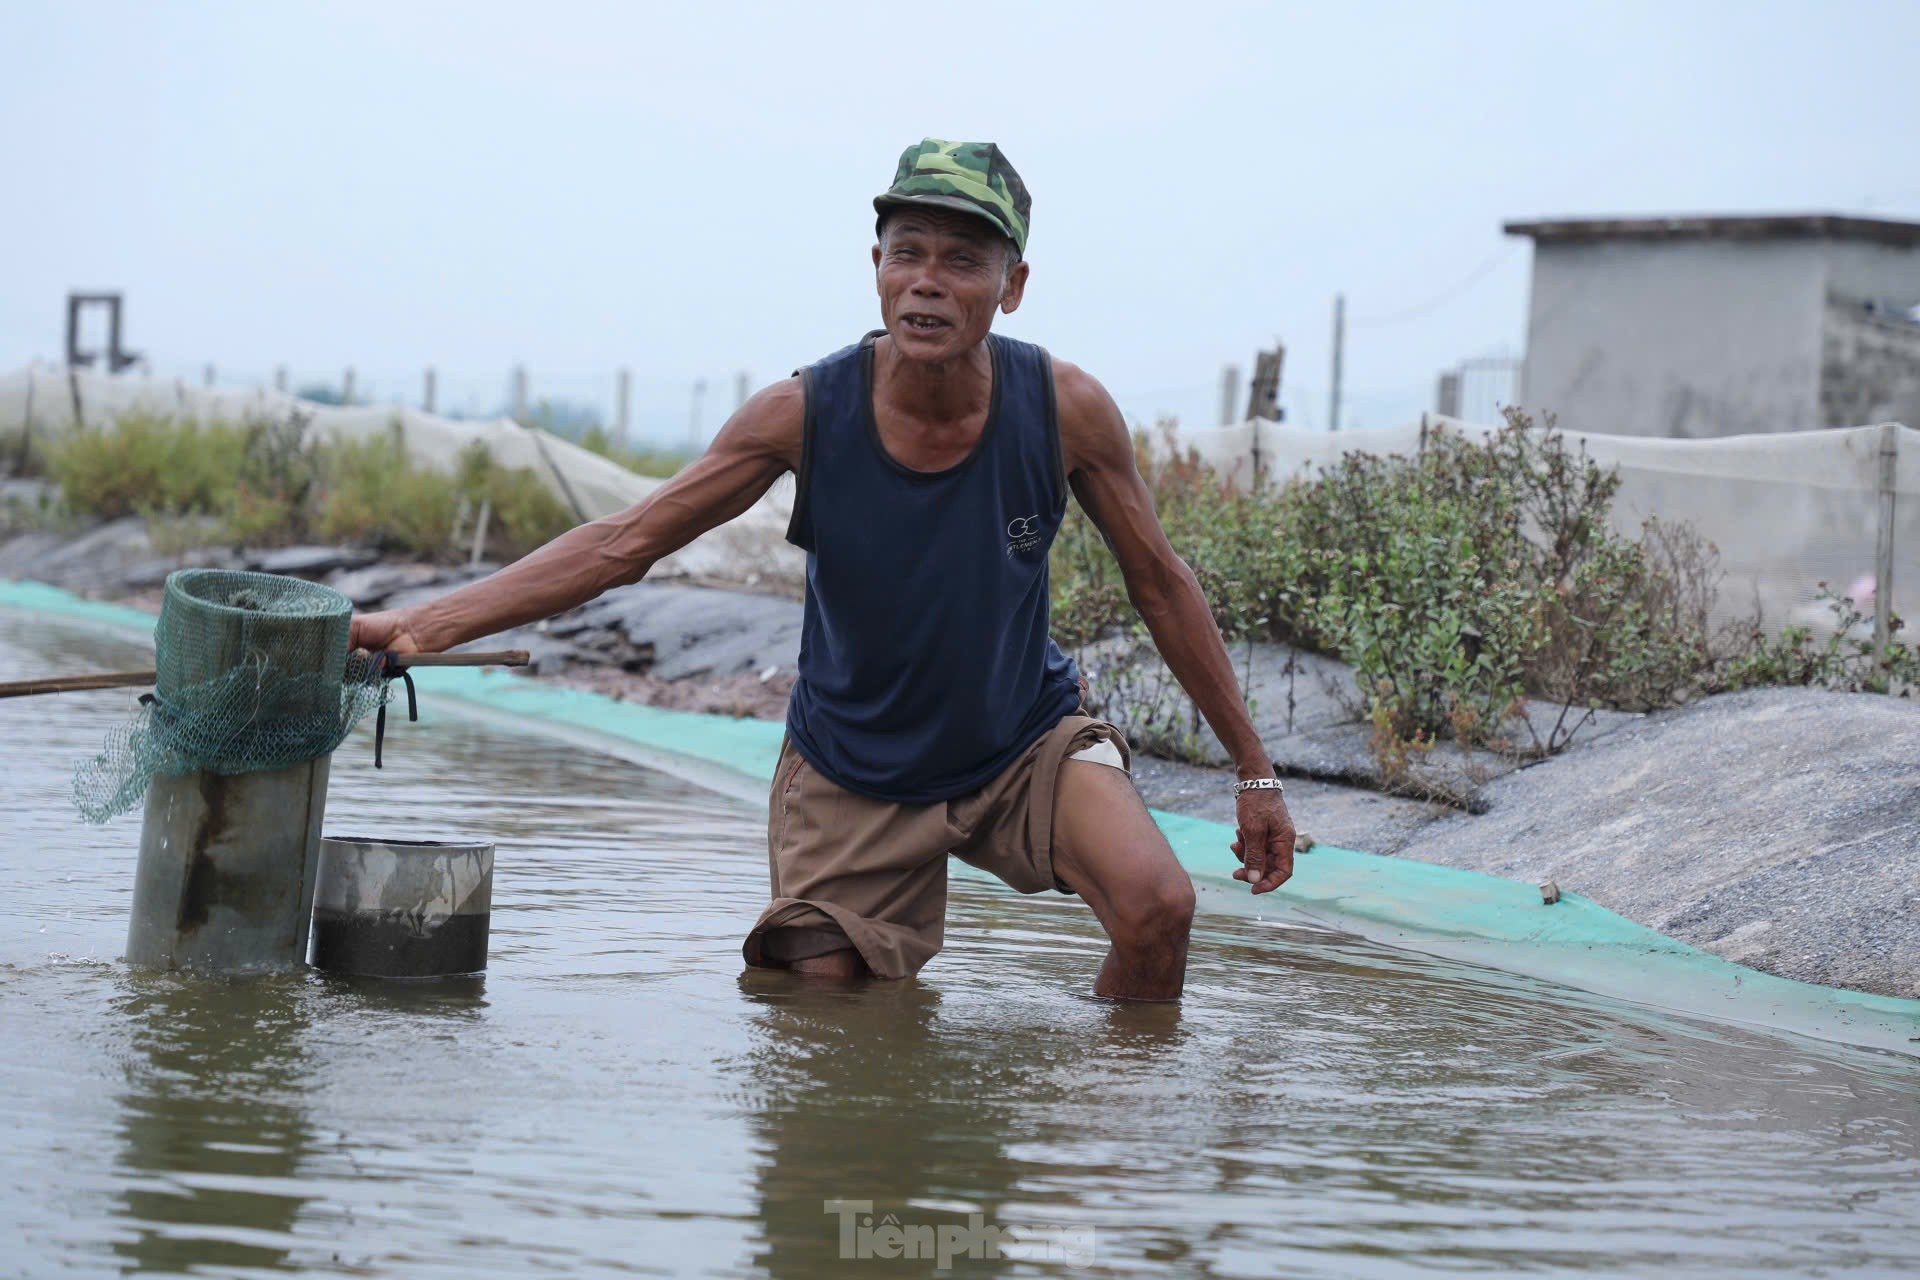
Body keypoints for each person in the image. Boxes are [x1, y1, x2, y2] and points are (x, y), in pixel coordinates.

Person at [350, 138, 1296, 1001]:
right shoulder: (803, 413)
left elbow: (1161, 582)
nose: (928, 283)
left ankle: (1089, 1140)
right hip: (853, 764)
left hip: (1021, 741)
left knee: (1159, 908)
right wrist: (421, 628)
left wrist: (1255, 774)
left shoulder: (1065, 410)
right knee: (824, 1022)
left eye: (963, 260)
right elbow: (624, 543)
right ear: (876, 270)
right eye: (907, 252)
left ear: (1012, 286)